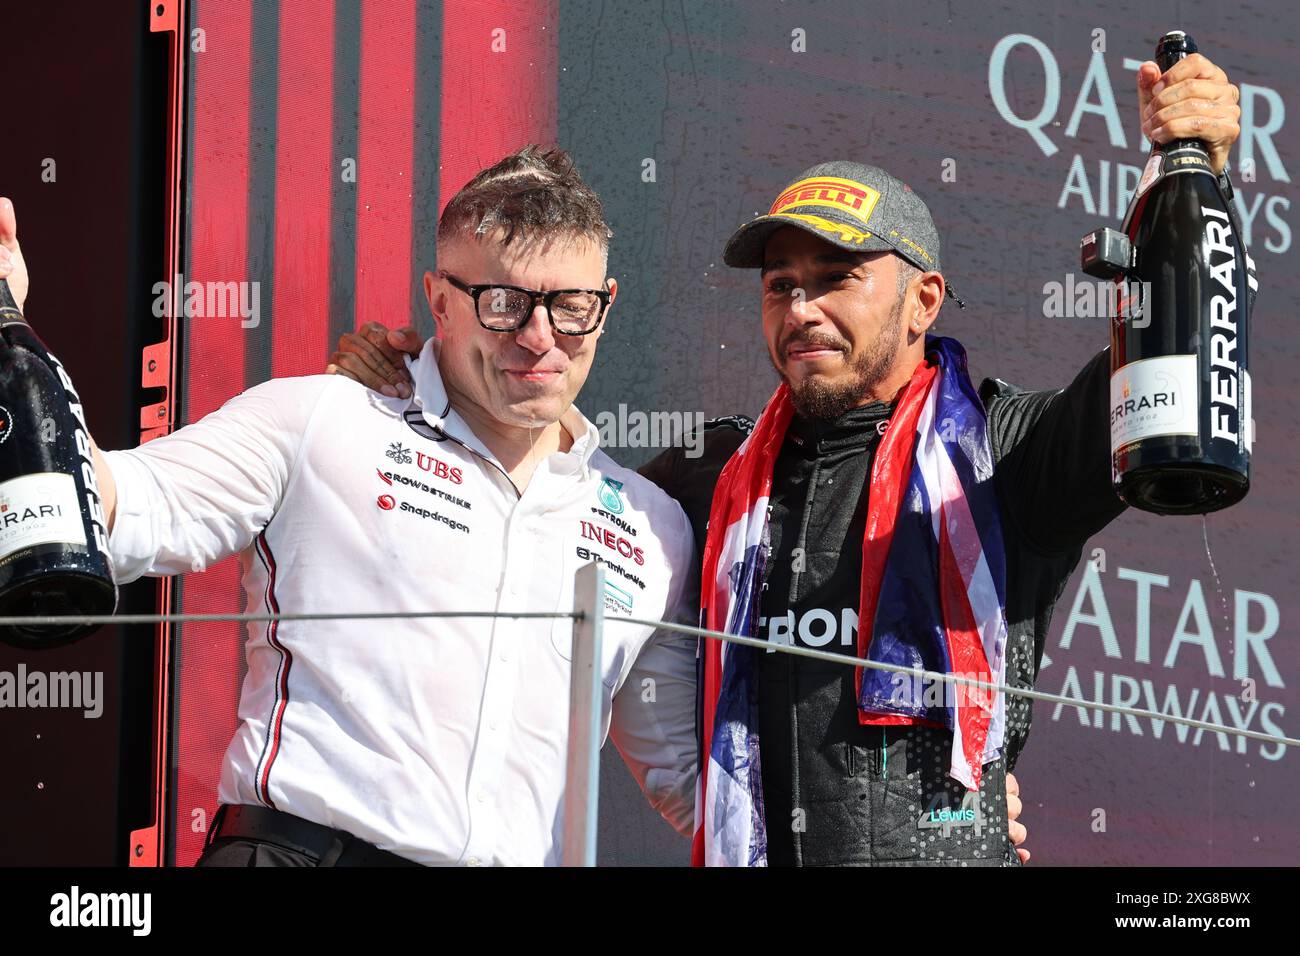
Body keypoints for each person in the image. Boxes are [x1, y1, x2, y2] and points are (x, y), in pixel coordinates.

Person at [327, 52, 1248, 866]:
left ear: (924, 298)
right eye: (781, 285)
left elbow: (1174, 361)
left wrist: (1199, 168)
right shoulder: (704, 474)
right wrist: (410, 387)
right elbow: (530, 492)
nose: (801, 307)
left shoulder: (1008, 451)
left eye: (838, 277)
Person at [0, 147, 702, 866]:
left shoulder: (650, 529)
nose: (539, 337)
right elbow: (113, 513)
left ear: (606, 304)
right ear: (439, 301)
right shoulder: (320, 421)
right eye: (504, 304)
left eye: (572, 308)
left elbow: (695, 787)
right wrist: (6, 338)